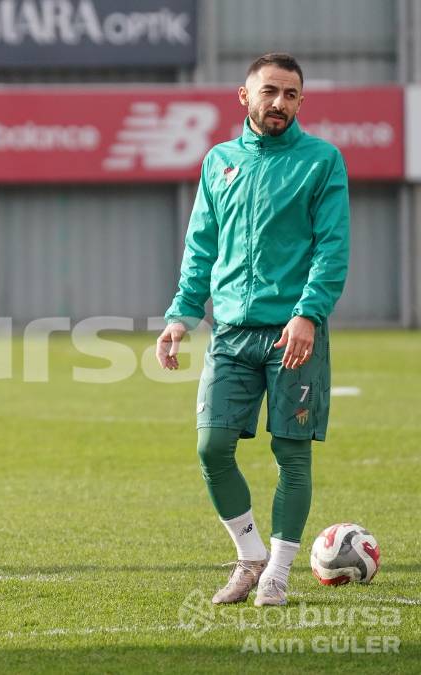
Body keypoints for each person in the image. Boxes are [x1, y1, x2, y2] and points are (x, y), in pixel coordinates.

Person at [156, 52, 349, 607]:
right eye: (269, 92)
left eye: (290, 94)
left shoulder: (322, 161)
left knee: (292, 454)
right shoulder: (219, 161)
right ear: (245, 96)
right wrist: (180, 315)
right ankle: (250, 557)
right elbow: (201, 247)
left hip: (294, 333)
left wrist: (308, 313)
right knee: (211, 447)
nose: (279, 103)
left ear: (301, 101)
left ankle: (278, 574)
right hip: (232, 333)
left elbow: (333, 246)